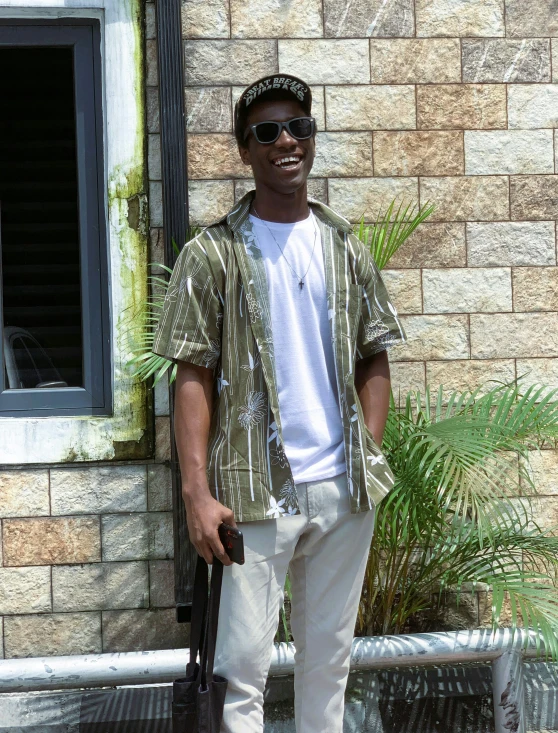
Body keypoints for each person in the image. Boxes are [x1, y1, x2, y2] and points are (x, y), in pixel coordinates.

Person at [153, 73, 406, 733]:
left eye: (298, 126)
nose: (285, 140)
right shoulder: (213, 254)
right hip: (252, 494)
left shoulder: (345, 246)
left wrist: (366, 453)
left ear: (312, 140)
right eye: (267, 131)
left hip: (340, 492)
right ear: (245, 150)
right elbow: (191, 375)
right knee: (241, 675)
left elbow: (373, 353)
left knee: (330, 667)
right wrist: (195, 492)